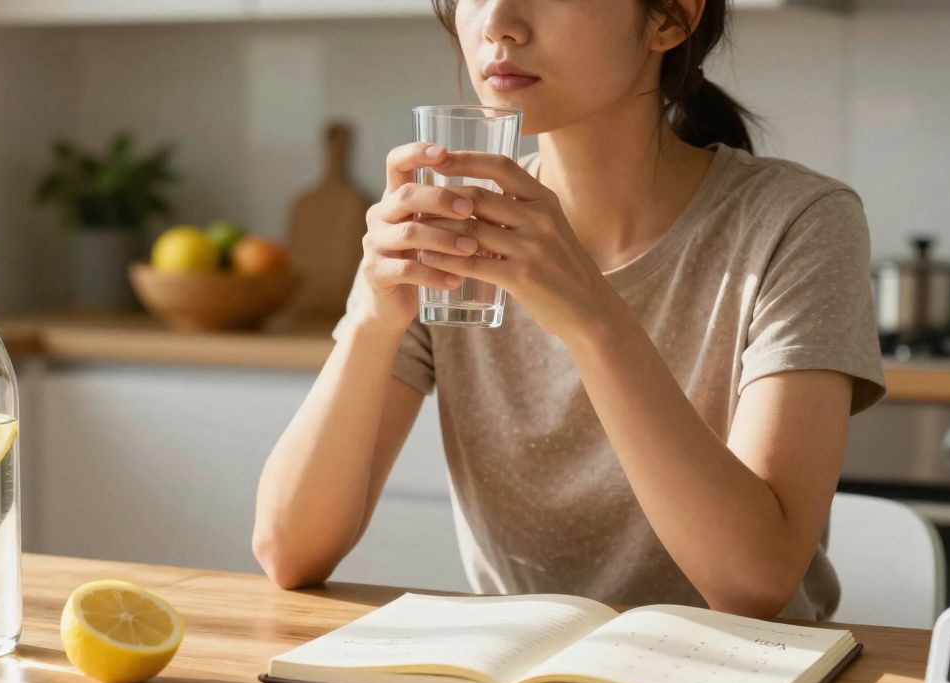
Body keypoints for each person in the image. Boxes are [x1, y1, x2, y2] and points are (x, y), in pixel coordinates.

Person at [252, 0, 885, 620]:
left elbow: (754, 585)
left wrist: (592, 320)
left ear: (670, 17)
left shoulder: (799, 222)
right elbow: (288, 552)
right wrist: (370, 318)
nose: (498, 22)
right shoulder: (454, 224)